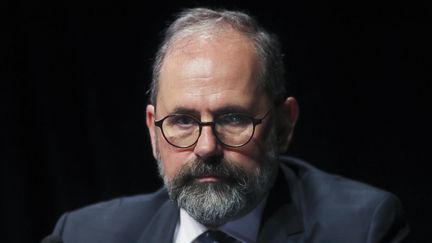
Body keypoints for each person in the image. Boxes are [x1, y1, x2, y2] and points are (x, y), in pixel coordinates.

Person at [45, 7, 409, 243]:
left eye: (233, 118)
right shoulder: (82, 235)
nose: (206, 147)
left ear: (284, 125)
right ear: (153, 130)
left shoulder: (363, 229)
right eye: (183, 121)